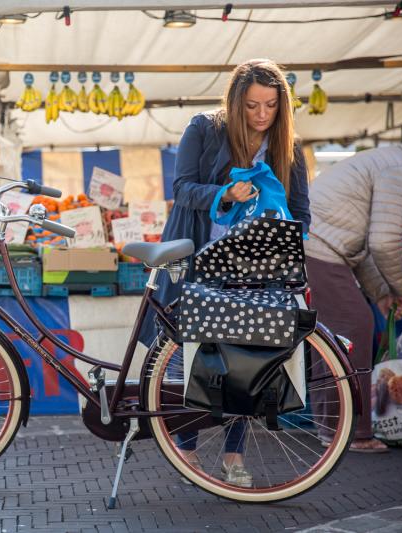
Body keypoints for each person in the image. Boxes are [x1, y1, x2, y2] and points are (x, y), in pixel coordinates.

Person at [142, 59, 311, 487]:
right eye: (252, 105)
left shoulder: (287, 147)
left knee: (244, 360)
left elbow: (303, 216)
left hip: (255, 269)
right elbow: (181, 189)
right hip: (199, 260)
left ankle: (233, 454)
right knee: (192, 357)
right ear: (236, 102)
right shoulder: (204, 127)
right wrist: (225, 193)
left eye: (271, 106)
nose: (261, 115)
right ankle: (188, 451)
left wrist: (276, 230)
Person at [306, 141, 402, 453]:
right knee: (353, 328)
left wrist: (382, 292)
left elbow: (363, 246)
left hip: (318, 245)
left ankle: (334, 429)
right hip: (319, 247)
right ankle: (351, 432)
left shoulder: (393, 160)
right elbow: (383, 242)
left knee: (336, 337)